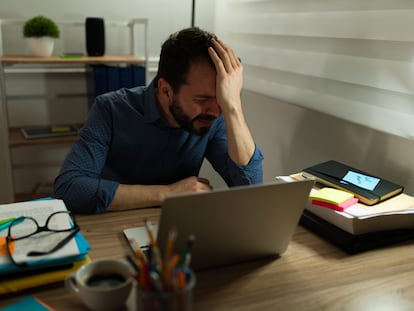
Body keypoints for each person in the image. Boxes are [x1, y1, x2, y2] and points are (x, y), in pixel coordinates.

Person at [53, 27, 264, 213]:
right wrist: (167, 193)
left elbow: (251, 190)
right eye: (203, 99)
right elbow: (70, 188)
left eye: (221, 98)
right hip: (111, 227)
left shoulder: (214, 116)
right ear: (165, 90)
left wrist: (233, 106)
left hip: (177, 230)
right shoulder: (110, 109)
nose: (216, 111)